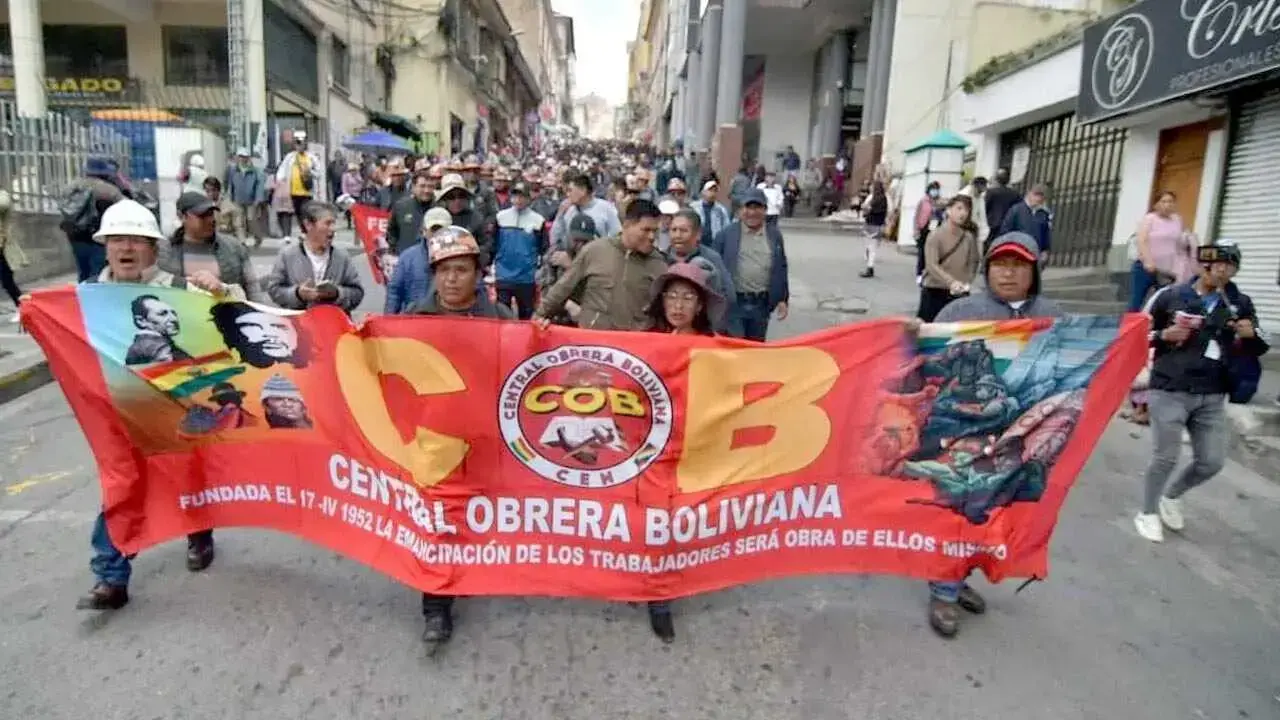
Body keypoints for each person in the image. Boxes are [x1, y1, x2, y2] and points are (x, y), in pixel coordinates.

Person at [75, 199, 230, 610]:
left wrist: (222, 291)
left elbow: (233, 314)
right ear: (105, 246)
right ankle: (111, 576)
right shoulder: (84, 298)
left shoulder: (180, 291)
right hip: (119, 413)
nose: (126, 247)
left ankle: (199, 530)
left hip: (176, 413)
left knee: (188, 477)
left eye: (136, 240)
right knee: (122, 487)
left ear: (152, 247)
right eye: (117, 239)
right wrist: (31, 314)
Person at [920, 231, 1062, 637]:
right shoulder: (959, 311)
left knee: (993, 514)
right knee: (959, 508)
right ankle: (943, 590)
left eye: (1019, 265)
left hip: (1021, 437)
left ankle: (959, 575)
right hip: (966, 435)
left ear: (1034, 271)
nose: (1009, 273)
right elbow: (928, 359)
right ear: (987, 268)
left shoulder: (1056, 316)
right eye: (1001, 264)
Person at [404, 224, 514, 649]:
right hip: (435, 441)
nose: (451, 279)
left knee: (474, 517)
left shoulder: (501, 319)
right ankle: (435, 606)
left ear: (477, 275)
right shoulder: (414, 319)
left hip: (484, 441)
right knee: (436, 521)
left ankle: (466, 572)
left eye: (461, 270)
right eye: (444, 270)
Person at [1135, 242, 1268, 543]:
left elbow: (1261, 342)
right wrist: (1162, 335)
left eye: (1229, 265)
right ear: (1200, 265)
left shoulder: (1240, 303)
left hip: (1212, 392)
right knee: (1165, 457)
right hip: (1170, 387)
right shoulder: (1170, 296)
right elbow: (1137, 332)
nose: (1221, 270)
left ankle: (1171, 496)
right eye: (1215, 263)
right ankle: (1147, 511)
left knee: (1211, 461)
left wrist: (1252, 334)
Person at [641, 262, 725, 642]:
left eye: (687, 297)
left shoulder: (718, 348)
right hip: (649, 451)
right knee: (655, 524)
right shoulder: (642, 342)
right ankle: (657, 599)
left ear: (701, 306)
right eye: (672, 296)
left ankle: (665, 589)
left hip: (696, 448)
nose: (678, 304)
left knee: (679, 523)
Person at [534, 198, 669, 331]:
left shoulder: (658, 264)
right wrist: (538, 317)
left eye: (655, 231)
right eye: (646, 230)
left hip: (634, 346)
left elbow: (665, 310)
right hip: (595, 343)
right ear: (627, 225)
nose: (652, 237)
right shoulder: (595, 250)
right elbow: (562, 289)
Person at [710, 188, 789, 342]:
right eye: (748, 207)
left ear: (765, 210)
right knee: (736, 348)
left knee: (755, 350)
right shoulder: (726, 235)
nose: (752, 212)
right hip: (733, 305)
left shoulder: (774, 235)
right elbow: (713, 267)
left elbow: (781, 266)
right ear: (740, 210)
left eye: (757, 207)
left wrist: (782, 299)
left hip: (761, 306)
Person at [159, 191, 265, 304]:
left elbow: (252, 288)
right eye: (202, 216)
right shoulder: (164, 251)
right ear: (182, 216)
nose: (210, 220)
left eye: (211, 214)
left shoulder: (233, 247)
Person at [266, 201, 365, 314]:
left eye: (334, 223)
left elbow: (357, 292)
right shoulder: (288, 255)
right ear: (308, 225)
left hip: (334, 324)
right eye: (327, 223)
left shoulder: (342, 256)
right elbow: (274, 290)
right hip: (299, 325)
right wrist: (298, 294)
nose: (333, 229)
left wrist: (337, 293)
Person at [665, 208, 737, 335]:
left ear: (698, 234)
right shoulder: (661, 258)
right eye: (673, 230)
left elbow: (729, 296)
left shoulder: (711, 259)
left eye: (683, 231)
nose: (677, 235)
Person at [918, 195, 981, 322]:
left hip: (959, 292)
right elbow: (931, 265)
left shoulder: (968, 237)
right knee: (929, 329)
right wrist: (951, 281)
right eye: (959, 208)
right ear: (948, 210)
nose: (963, 213)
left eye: (966, 210)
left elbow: (973, 261)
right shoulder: (935, 235)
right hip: (935, 290)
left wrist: (966, 281)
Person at [492, 183, 547, 319]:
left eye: (522, 196)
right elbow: (494, 243)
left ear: (529, 198)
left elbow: (543, 248)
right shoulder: (500, 217)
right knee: (502, 315)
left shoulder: (538, 221)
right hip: (503, 275)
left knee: (526, 318)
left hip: (526, 277)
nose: (518, 200)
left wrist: (538, 269)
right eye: (515, 196)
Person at [385, 207, 454, 314]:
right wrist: (388, 320)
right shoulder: (408, 257)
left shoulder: (461, 258)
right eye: (433, 230)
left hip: (447, 322)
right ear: (424, 231)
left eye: (442, 230)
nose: (437, 234)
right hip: (413, 321)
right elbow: (395, 292)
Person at [998, 183, 1052, 266]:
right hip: (1018, 252)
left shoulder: (1043, 213)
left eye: (1041, 196)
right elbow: (1005, 231)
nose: (1038, 198)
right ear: (1029, 193)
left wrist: (1045, 251)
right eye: (1036, 194)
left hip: (1035, 254)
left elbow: (1045, 233)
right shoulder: (1016, 210)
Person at [225, 148, 268, 247]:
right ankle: (242, 241)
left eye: (244, 157)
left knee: (251, 219)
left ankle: (258, 237)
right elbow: (229, 183)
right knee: (238, 221)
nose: (242, 159)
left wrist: (258, 198)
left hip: (251, 200)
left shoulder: (255, 171)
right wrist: (230, 195)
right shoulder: (233, 170)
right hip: (237, 199)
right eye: (240, 156)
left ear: (248, 158)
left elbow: (259, 185)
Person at [276, 134, 319, 218]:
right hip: (293, 192)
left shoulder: (311, 157)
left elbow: (318, 173)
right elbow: (282, 171)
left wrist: (310, 172)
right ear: (295, 145)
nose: (300, 146)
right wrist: (280, 182)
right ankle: (304, 229)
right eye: (298, 144)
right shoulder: (290, 157)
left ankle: (306, 229)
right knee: (298, 214)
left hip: (307, 192)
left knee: (306, 214)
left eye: (302, 144)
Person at [859, 182, 889, 278]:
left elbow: (868, 208)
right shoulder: (884, 198)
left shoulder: (875, 199)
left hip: (871, 224)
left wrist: (867, 209)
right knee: (873, 246)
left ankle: (870, 267)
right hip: (878, 225)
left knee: (871, 247)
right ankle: (869, 265)